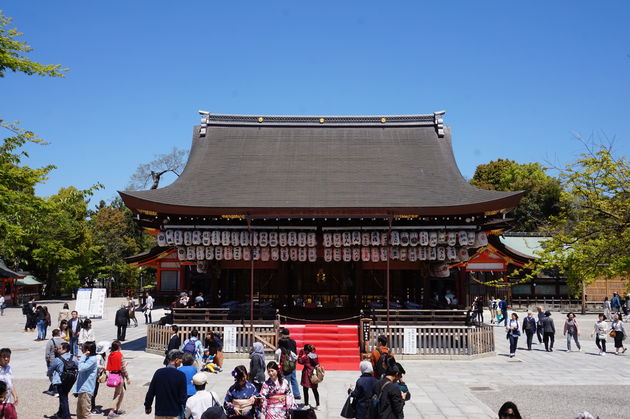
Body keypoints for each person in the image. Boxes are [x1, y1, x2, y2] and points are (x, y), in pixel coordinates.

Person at [145, 349, 187, 418]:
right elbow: (182, 397)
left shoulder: (158, 373)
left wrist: (148, 406)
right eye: (180, 361)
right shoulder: (181, 375)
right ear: (176, 360)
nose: (180, 364)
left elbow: (151, 393)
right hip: (174, 413)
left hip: (159, 412)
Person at [47, 342, 76, 419]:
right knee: (64, 396)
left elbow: (50, 369)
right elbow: (78, 366)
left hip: (61, 380)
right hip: (71, 380)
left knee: (63, 398)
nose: (58, 349)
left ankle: (66, 416)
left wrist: (49, 375)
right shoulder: (73, 357)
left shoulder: (57, 359)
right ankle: (60, 413)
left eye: (60, 348)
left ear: (65, 349)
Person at [105, 340, 130, 418]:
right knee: (117, 394)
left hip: (112, 374)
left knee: (121, 393)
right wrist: (128, 378)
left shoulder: (110, 355)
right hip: (119, 375)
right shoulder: (119, 355)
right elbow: (123, 368)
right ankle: (111, 412)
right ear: (119, 347)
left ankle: (117, 408)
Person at [74, 341, 98, 419]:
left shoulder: (92, 359)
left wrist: (83, 356)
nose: (81, 348)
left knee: (85, 413)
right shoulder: (88, 357)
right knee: (79, 413)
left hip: (86, 389)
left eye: (83, 347)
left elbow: (81, 368)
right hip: (82, 388)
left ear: (87, 349)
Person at [276, 329, 299, 400]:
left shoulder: (281, 341)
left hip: (285, 363)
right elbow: (295, 352)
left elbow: (278, 352)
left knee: (286, 379)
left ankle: (286, 392)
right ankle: (296, 394)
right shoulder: (293, 342)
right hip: (292, 362)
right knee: (294, 378)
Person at [44, 328, 67, 395]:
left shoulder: (50, 341)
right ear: (59, 334)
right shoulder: (63, 341)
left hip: (52, 360)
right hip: (61, 360)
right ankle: (60, 388)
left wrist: (47, 360)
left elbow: (47, 352)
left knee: (51, 375)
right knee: (60, 373)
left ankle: (55, 390)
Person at [297, 344, 320, 410]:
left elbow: (300, 361)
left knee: (305, 389)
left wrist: (301, 354)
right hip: (314, 373)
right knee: (315, 389)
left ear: (306, 350)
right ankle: (318, 404)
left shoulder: (306, 357)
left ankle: (306, 404)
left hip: (307, 374)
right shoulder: (315, 355)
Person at [91, 341, 109, 415]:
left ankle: (92, 406)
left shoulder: (101, 356)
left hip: (97, 375)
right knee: (93, 392)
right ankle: (92, 408)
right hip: (94, 376)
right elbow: (97, 365)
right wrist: (103, 367)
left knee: (95, 392)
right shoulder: (98, 356)